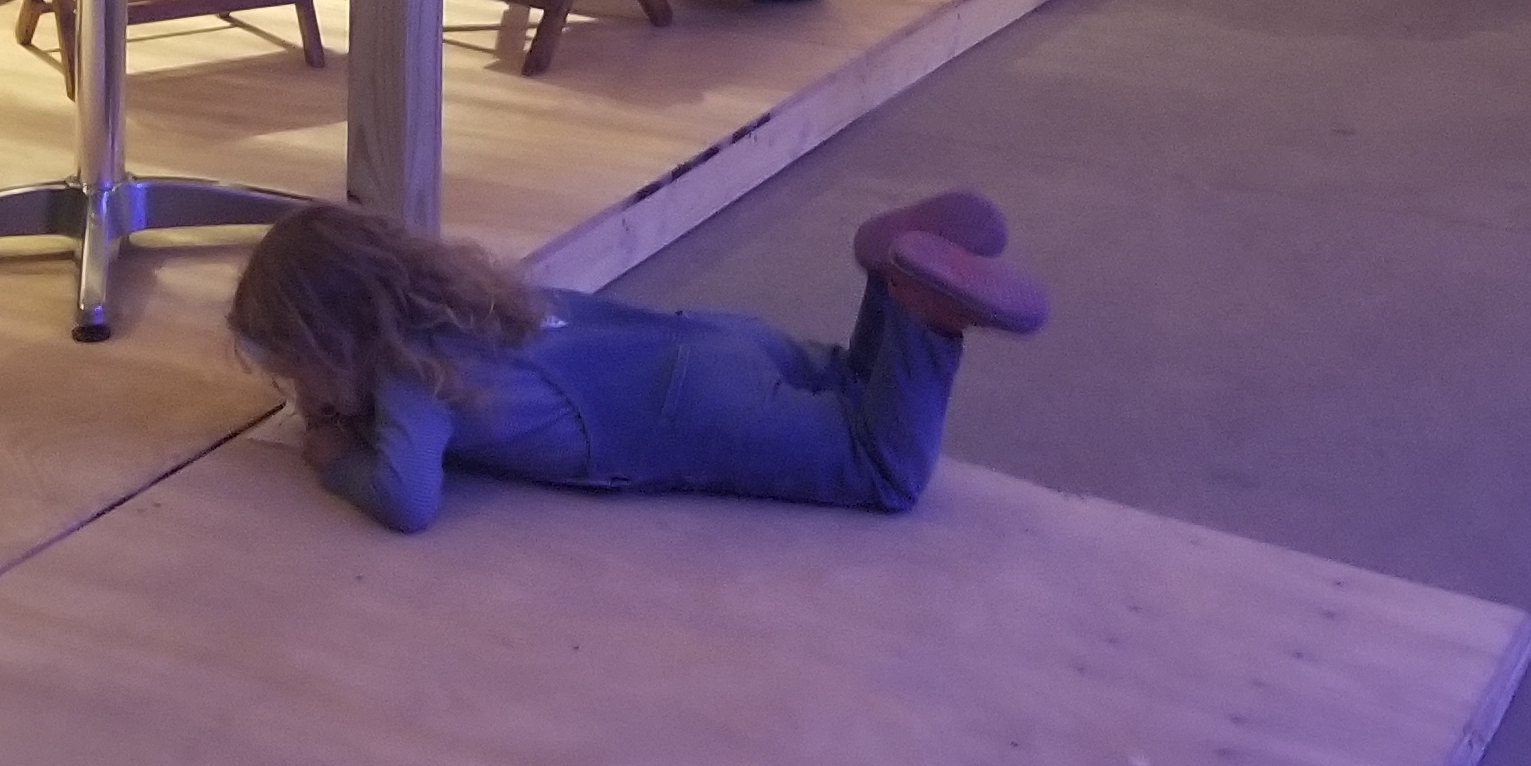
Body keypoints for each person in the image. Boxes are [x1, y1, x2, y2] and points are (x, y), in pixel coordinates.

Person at [238, 191, 1048, 535]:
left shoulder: (415, 381)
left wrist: (336, 457)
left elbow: (408, 498)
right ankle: (890, 273)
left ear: (327, 344)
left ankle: (918, 308)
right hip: (710, 339)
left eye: (288, 364)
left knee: (882, 469)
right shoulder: (464, 293)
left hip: (686, 412)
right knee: (847, 387)